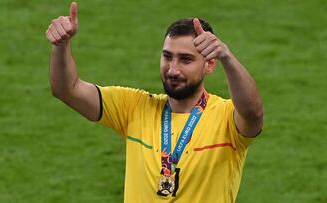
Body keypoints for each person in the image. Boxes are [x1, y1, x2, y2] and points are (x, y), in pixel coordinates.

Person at [46, 2, 263, 203]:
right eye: (167, 56)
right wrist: (61, 45)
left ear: (209, 65)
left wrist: (227, 57)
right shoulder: (134, 107)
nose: (173, 69)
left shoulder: (225, 118)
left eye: (185, 59)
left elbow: (252, 112)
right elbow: (67, 89)